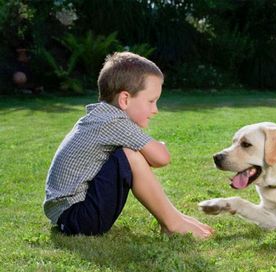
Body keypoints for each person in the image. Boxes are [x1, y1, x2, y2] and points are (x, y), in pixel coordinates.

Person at [44, 51, 213, 238]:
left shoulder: (102, 117)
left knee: (131, 153)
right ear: (125, 99)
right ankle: (172, 223)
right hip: (77, 218)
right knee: (130, 155)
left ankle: (175, 218)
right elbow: (161, 158)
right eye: (151, 101)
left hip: (70, 215)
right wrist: (161, 145)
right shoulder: (113, 122)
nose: (155, 110)